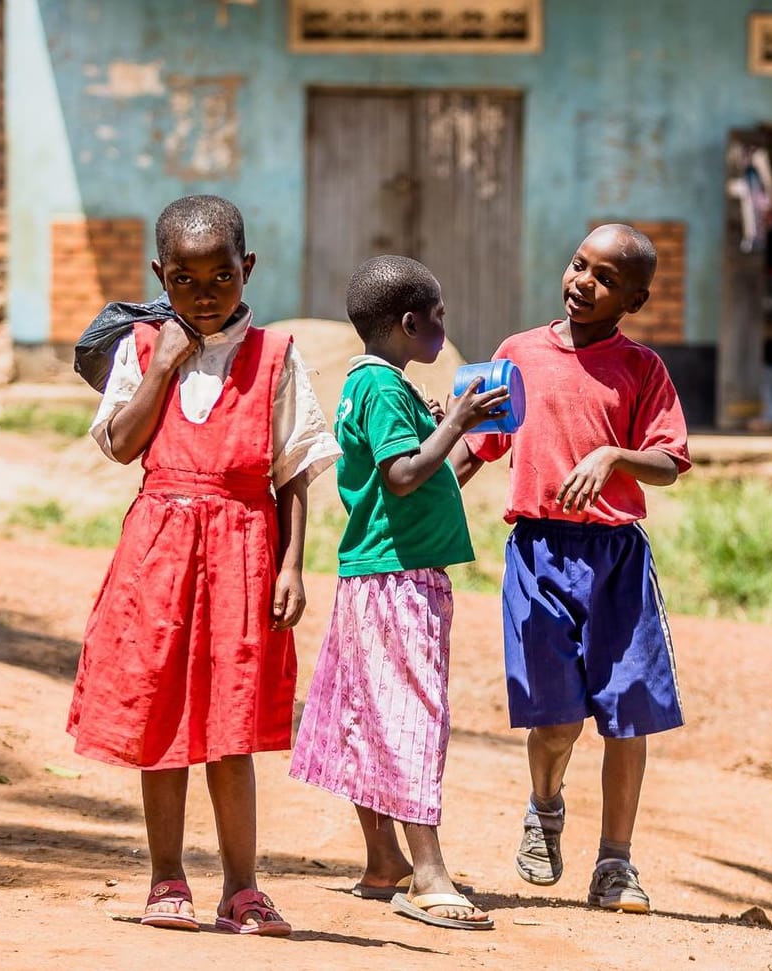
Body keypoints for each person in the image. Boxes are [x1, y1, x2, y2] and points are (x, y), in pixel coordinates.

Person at [67, 195, 339, 937]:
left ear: (247, 269)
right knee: (161, 715)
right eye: (185, 280)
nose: (206, 294)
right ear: (161, 276)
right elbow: (122, 444)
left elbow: (293, 472)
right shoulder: (143, 348)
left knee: (231, 725)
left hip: (245, 554)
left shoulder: (276, 357)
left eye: (222, 276)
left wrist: (292, 566)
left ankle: (243, 888)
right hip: (158, 556)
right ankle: (165, 877)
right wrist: (165, 365)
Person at [453, 224, 692, 914]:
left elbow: (671, 460)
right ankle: (545, 805)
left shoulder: (643, 369)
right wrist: (430, 493)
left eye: (607, 278)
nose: (583, 281)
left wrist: (615, 456)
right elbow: (477, 448)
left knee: (629, 716)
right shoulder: (516, 353)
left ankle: (615, 862)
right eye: (580, 265)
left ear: (636, 299)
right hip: (538, 552)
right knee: (556, 719)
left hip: (616, 559)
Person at [288, 256, 507, 932]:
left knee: (369, 714)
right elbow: (406, 474)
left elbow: (415, 486)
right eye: (437, 317)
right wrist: (456, 420)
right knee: (411, 715)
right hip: (398, 581)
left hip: (377, 571)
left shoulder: (372, 384)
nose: (443, 327)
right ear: (410, 324)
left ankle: (383, 861)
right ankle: (429, 872)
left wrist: (463, 433)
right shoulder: (383, 388)